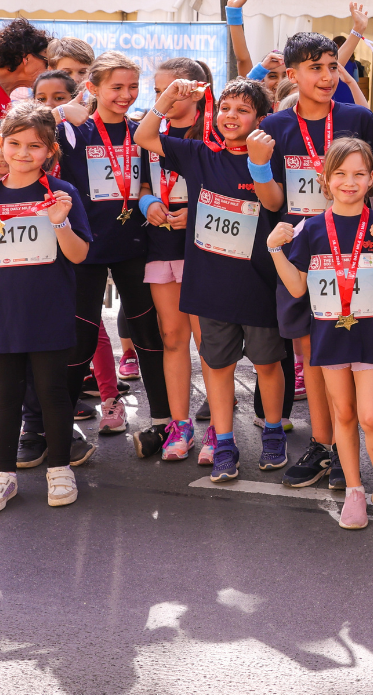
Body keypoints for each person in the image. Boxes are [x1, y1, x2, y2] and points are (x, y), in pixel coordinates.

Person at [0, 102, 93, 513]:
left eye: (35, 146)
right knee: (5, 396)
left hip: (49, 309)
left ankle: (60, 468)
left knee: (52, 393)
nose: (24, 153)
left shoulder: (62, 193)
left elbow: (78, 255)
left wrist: (60, 221)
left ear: (50, 151)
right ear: (1, 146)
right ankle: (2, 474)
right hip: (0, 312)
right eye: (15, 143)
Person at [137, 75, 285, 482]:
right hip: (209, 282)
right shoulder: (198, 153)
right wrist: (167, 98)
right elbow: (145, 136)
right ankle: (223, 441)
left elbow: (273, 201)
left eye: (242, 110)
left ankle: (273, 430)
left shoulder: (269, 154)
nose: (231, 116)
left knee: (267, 364)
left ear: (261, 118)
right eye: (225, 108)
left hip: (258, 283)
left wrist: (257, 163)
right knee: (217, 366)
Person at [267, 136, 373, 530]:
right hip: (329, 336)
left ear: (371, 180)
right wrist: (274, 249)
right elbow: (297, 288)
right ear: (325, 179)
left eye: (359, 174)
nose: (350, 182)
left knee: (370, 415)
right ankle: (353, 489)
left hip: (370, 336)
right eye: (341, 174)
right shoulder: (312, 229)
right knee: (344, 414)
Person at [258, 32, 373, 489]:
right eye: (315, 68)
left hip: (352, 252)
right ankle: (324, 444)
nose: (327, 76)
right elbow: (271, 201)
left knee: (353, 348)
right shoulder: (274, 125)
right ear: (292, 75)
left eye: (332, 66)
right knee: (310, 351)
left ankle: (350, 449)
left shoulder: (357, 117)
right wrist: (256, 166)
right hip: (302, 250)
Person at [60, 53, 157, 465]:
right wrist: (63, 108)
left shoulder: (141, 132)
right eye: (116, 87)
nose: (126, 95)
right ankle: (58, 425)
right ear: (94, 88)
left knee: (148, 336)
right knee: (78, 339)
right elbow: (31, 128)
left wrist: (151, 201)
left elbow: (152, 180)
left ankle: (164, 421)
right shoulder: (74, 132)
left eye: (133, 86)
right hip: (88, 247)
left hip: (133, 243)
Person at [138, 58, 212, 460]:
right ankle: (179, 426)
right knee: (172, 337)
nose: (163, 98)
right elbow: (144, 179)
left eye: (170, 89)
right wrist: (148, 199)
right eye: (157, 91)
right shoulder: (154, 130)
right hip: (161, 244)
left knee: (208, 341)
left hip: (202, 245)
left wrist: (197, 213)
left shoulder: (213, 129)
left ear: (195, 89)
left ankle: (218, 427)